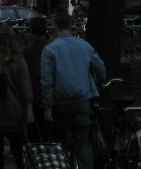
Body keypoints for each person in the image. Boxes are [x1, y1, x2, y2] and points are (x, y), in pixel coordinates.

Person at [42, 9, 106, 169]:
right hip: (82, 103)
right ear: (71, 25)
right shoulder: (85, 47)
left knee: (61, 143)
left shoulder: (50, 50)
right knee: (83, 142)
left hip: (61, 105)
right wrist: (96, 81)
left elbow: (47, 81)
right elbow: (101, 70)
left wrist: (47, 107)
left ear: (55, 26)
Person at [0, 24, 33, 169]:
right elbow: (26, 88)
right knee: (18, 153)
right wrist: (29, 110)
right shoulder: (19, 61)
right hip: (16, 113)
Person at [22, 16, 50, 142]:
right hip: (51, 95)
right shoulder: (52, 48)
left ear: (31, 32)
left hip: (33, 95)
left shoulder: (26, 51)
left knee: (33, 134)